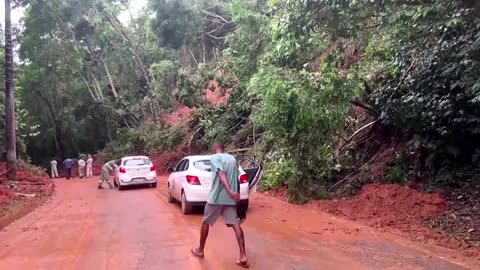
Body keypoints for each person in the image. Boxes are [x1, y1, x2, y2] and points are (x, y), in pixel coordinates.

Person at [191, 143, 249, 268]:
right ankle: (243, 255)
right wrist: (236, 195)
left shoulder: (215, 158)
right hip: (231, 198)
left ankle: (200, 250)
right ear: (224, 149)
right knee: (235, 224)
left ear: (214, 149)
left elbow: (221, 174)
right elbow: (238, 178)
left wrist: (228, 190)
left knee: (205, 222)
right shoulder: (232, 159)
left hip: (216, 197)